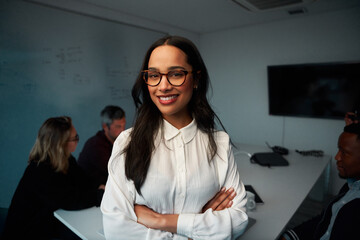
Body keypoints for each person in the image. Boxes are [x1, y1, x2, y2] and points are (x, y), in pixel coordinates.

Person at [101, 35, 248, 240]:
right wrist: (197, 226)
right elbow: (116, 231)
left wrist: (161, 221)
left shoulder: (220, 143)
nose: (163, 86)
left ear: (196, 79)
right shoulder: (127, 142)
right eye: (154, 75)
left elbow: (238, 220)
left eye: (176, 74)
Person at [2, 116, 104, 240]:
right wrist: (100, 194)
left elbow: (84, 181)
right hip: (27, 233)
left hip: (48, 224)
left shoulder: (66, 159)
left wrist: (98, 187)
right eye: (75, 138)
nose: (78, 141)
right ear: (61, 144)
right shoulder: (40, 171)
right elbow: (71, 201)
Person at [280, 118, 360, 240]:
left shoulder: (354, 208)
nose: (337, 157)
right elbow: (326, 219)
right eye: (339, 150)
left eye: (344, 153)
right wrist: (290, 236)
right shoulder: (350, 186)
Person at [77, 105, 126, 186]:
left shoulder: (117, 142)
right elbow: (115, 173)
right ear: (105, 126)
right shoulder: (96, 146)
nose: (122, 130)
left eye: (124, 126)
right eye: (118, 127)